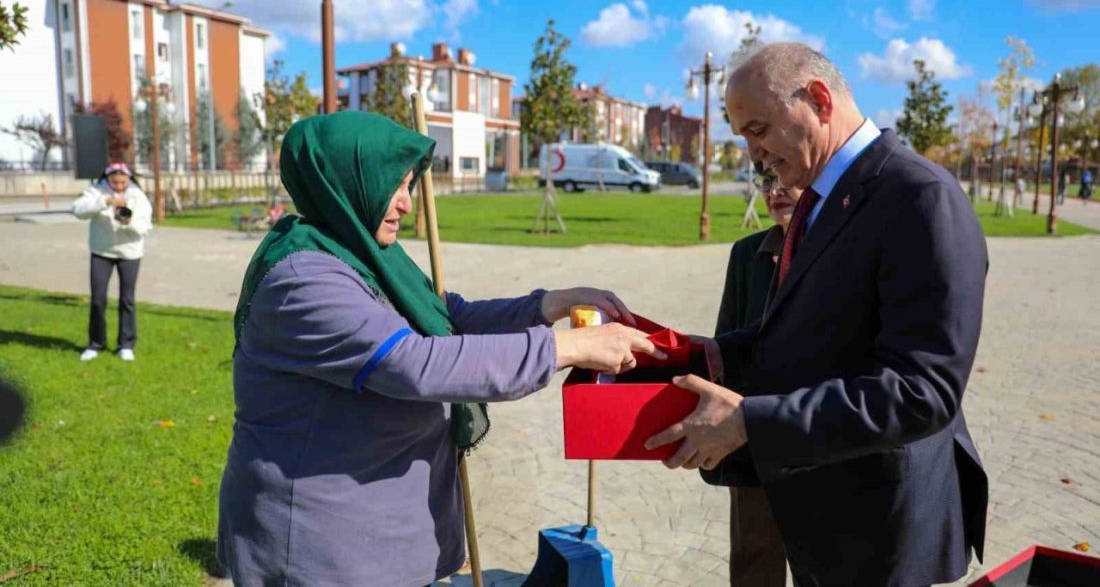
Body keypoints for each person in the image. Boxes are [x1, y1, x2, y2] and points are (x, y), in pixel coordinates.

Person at [216, 112, 662, 587]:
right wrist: (566, 347)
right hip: (321, 545)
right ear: (349, 180)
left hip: (379, 529)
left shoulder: (364, 253)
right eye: (394, 185)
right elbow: (413, 363)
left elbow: (446, 316)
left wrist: (548, 305)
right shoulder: (303, 278)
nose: (407, 204)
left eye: (411, 184)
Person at [647, 43, 988, 587]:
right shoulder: (825, 196)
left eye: (758, 129)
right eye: (743, 137)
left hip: (881, 532)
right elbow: (807, 330)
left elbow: (922, 390)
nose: (754, 155)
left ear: (819, 99)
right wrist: (697, 354)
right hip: (824, 514)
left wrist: (749, 423)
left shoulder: (919, 198)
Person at [704, 169, 801, 587]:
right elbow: (724, 343)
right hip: (751, 437)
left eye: (784, 179)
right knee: (753, 556)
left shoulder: (837, 253)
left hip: (815, 431)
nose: (775, 191)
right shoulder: (746, 254)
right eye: (765, 182)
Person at [71, 162, 153, 362]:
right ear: (107, 179)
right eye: (114, 182)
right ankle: (95, 344)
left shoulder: (138, 195)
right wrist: (104, 201)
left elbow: (145, 227)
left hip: (130, 254)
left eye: (122, 182)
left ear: (129, 179)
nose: (118, 186)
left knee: (127, 300)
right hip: (101, 252)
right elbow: (77, 210)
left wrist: (127, 222)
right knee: (98, 299)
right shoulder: (97, 191)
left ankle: (126, 345)